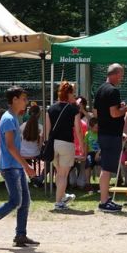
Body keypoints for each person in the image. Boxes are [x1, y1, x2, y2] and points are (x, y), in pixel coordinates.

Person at [0, 86, 39, 248]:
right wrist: (27, 166)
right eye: (23, 99)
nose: (26, 102)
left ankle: (20, 235)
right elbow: (9, 147)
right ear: (14, 100)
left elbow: (2, 147)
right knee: (16, 201)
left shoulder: (12, 117)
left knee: (24, 201)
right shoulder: (9, 119)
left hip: (13, 166)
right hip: (11, 167)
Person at [92, 64, 127, 212]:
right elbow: (114, 113)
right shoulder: (113, 91)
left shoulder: (100, 89)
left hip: (103, 134)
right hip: (112, 135)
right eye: (121, 75)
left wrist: (118, 107)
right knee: (107, 169)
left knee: (105, 168)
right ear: (116, 74)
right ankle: (104, 201)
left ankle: (105, 199)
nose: (122, 78)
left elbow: (96, 113)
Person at [45, 81, 81, 211]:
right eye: (73, 93)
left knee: (59, 173)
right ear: (69, 94)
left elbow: (47, 131)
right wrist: (81, 145)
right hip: (66, 143)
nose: (74, 96)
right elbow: (78, 130)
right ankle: (58, 202)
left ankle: (63, 196)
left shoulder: (50, 109)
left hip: (53, 144)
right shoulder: (73, 109)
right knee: (63, 175)